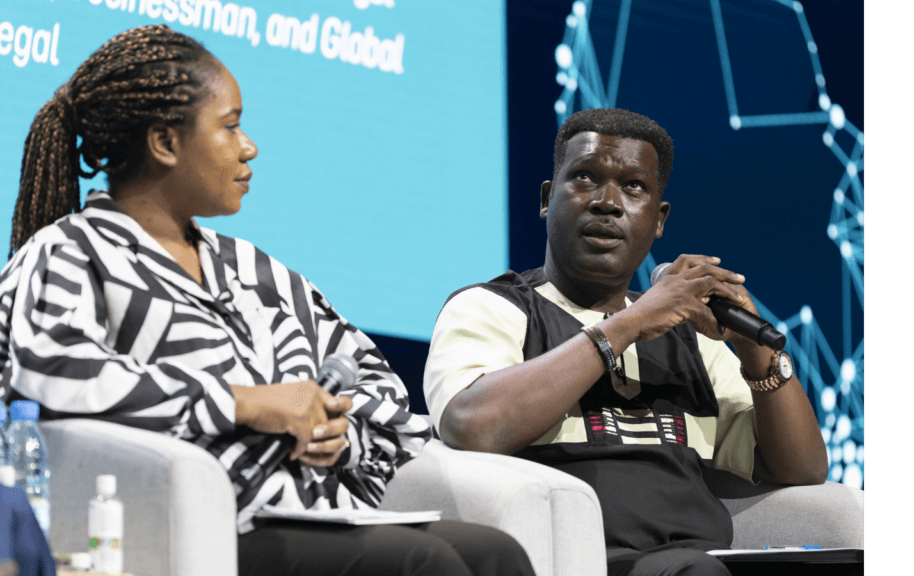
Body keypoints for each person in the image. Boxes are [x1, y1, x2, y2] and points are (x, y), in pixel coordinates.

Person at [0, 25, 533, 576]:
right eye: (229, 127)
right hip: (197, 530)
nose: (248, 146)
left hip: (317, 515)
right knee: (424, 565)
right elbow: (51, 371)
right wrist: (246, 402)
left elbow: (375, 377)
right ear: (164, 142)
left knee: (494, 553)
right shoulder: (69, 252)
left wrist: (339, 434)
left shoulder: (255, 269)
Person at [423, 108, 828, 575]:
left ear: (659, 220)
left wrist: (756, 352)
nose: (607, 202)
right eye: (585, 178)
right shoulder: (493, 307)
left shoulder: (693, 339)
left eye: (633, 186)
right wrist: (628, 324)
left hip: (696, 561)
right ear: (547, 199)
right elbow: (471, 427)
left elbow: (802, 471)